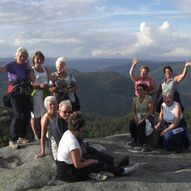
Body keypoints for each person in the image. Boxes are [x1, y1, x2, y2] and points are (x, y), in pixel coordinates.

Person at [56, 111, 137, 182]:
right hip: (69, 174)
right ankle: (122, 171)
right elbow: (78, 165)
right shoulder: (72, 142)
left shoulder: (68, 133)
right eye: (83, 125)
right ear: (79, 128)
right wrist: (91, 161)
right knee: (97, 163)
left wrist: (88, 159)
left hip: (66, 169)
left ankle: (114, 167)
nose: (84, 127)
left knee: (93, 157)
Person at [0, 47, 32, 149]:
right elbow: (2, 69)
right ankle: (12, 139)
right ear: (17, 55)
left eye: (24, 56)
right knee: (18, 115)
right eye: (21, 56)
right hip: (15, 94)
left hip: (25, 93)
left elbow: (30, 77)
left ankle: (22, 136)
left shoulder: (25, 66)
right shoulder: (11, 65)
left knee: (26, 115)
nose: (22, 58)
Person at [30, 51, 55, 141]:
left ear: (43, 60)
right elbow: (31, 83)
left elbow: (52, 79)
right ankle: (36, 134)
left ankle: (44, 132)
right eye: (37, 59)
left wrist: (58, 75)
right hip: (36, 94)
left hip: (45, 93)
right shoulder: (32, 70)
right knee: (35, 115)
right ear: (34, 60)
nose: (39, 60)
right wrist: (39, 85)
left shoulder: (45, 69)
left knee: (44, 113)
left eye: (40, 59)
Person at [129, 84, 155, 148]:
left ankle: (143, 142)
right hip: (138, 115)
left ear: (144, 90)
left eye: (140, 89)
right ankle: (134, 139)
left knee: (141, 123)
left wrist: (143, 118)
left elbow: (150, 111)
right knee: (132, 122)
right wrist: (135, 117)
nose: (138, 91)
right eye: (137, 89)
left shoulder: (149, 98)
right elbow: (133, 110)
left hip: (147, 116)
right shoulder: (135, 99)